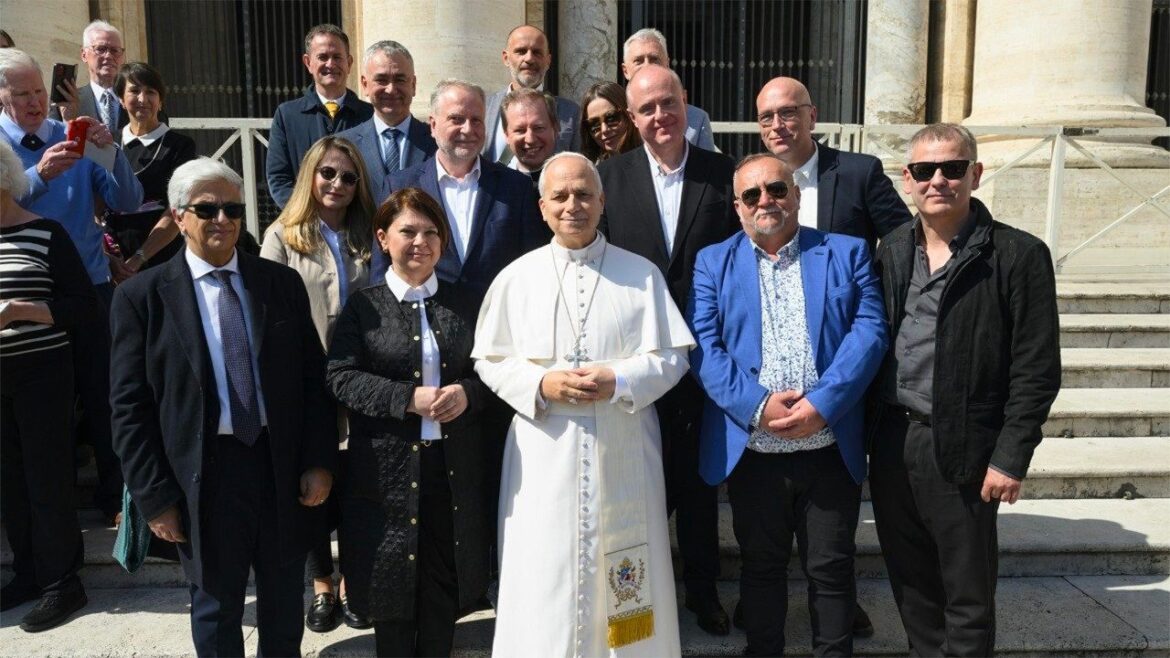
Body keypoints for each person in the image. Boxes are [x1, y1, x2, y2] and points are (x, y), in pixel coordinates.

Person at [109, 158, 338, 657]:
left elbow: (312, 382)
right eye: (207, 209)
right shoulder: (141, 298)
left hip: (278, 468)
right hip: (204, 474)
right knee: (215, 609)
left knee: (284, 603)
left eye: (232, 209)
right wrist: (154, 496)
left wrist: (319, 461)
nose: (222, 220)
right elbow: (129, 409)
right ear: (178, 217)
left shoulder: (279, 284)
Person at [474, 152, 694, 657]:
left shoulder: (641, 275)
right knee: (545, 566)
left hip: (624, 439)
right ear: (542, 207)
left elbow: (673, 358)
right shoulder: (517, 277)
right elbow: (491, 360)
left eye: (583, 194)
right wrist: (541, 383)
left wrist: (619, 379)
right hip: (543, 449)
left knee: (624, 567)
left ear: (602, 201)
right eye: (560, 196)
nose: (572, 205)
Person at [868, 123, 1061, 657]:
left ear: (975, 174)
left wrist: (1010, 457)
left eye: (952, 168)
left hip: (964, 446)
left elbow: (1037, 370)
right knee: (912, 586)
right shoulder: (891, 249)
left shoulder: (1017, 255)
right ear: (907, 178)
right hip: (892, 440)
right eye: (925, 170)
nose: (938, 180)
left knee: (968, 594)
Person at [687, 153, 887, 656]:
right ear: (738, 206)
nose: (766, 201)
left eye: (777, 189)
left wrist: (823, 404)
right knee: (760, 568)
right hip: (754, 452)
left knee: (832, 569)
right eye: (751, 194)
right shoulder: (712, 262)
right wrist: (758, 407)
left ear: (796, 195)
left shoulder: (846, 252)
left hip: (829, 447)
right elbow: (703, 347)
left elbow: (870, 331)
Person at [597, 63, 738, 636]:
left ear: (686, 103)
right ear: (632, 118)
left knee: (700, 485)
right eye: (647, 108)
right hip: (635, 359)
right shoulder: (609, 176)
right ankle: (632, 602)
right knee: (632, 488)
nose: (660, 116)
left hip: (705, 357)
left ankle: (703, 592)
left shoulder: (724, 174)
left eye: (669, 103)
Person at [327, 187, 492, 657]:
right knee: (391, 591)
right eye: (408, 231)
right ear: (383, 238)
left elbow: (495, 373)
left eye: (431, 232)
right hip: (385, 475)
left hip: (450, 471)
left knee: (442, 593)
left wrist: (468, 393)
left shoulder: (467, 302)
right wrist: (406, 398)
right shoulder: (364, 306)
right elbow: (340, 377)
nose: (421, 242)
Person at [1, 47, 142, 526]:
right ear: (1, 97)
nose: (35, 101)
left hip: (90, 290)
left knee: (107, 396)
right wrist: (39, 176)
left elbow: (127, 200)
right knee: (41, 414)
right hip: (25, 297)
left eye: (39, 90)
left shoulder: (72, 134)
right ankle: (49, 518)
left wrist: (110, 150)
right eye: (22, 94)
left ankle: (117, 499)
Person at [261, 135, 375, 633]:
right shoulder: (282, 235)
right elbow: (268, 311)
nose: (337, 183)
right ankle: (322, 584)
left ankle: (352, 582)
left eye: (349, 176)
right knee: (310, 484)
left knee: (355, 484)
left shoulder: (369, 233)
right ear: (310, 174)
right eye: (328, 172)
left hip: (363, 378)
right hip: (305, 380)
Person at [0, 139, 95, 632]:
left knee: (47, 479)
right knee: (10, 482)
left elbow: (82, 306)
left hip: (42, 373)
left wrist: (19, 311)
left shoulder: (45, 233)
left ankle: (62, 582)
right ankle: (28, 574)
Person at [388, 79, 544, 299]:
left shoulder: (516, 187)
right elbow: (383, 268)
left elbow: (533, 264)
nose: (468, 129)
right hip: (425, 314)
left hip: (498, 315)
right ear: (433, 125)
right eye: (457, 119)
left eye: (476, 120)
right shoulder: (400, 185)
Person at [756, 76, 910, 251]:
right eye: (766, 117)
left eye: (788, 112)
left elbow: (904, 242)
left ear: (812, 117)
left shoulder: (860, 174)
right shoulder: (748, 183)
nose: (776, 125)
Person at [105, 62, 197, 276]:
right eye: (134, 91)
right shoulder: (108, 142)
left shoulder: (180, 145)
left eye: (151, 92)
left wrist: (139, 257)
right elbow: (94, 202)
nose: (142, 99)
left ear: (161, 101)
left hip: (161, 254)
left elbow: (176, 208)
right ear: (121, 99)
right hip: (113, 254)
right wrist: (108, 256)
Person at [267, 24, 373, 208]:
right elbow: (279, 178)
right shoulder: (287, 115)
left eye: (337, 57)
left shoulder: (370, 115)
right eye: (323, 57)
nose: (330, 64)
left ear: (349, 63)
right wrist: (307, 215)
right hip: (304, 220)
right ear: (308, 62)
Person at [337, 40, 437, 206]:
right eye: (381, 80)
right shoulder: (344, 145)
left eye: (400, 79)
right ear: (365, 85)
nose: (391, 89)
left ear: (413, 85)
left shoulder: (437, 142)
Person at [483, 25, 579, 161]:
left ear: (548, 61)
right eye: (521, 51)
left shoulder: (571, 114)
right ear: (506, 58)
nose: (529, 59)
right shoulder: (484, 109)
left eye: (537, 52)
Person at [621, 28, 715, 151]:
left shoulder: (696, 120)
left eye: (654, 59)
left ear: (667, 64)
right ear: (625, 71)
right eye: (638, 61)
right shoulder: (613, 120)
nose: (647, 66)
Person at [50, 20, 126, 132]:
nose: (109, 56)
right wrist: (69, 122)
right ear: (84, 55)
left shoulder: (137, 99)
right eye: (101, 49)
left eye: (115, 50)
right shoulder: (65, 101)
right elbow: (53, 141)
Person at [500, 87, 557, 183]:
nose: (530, 139)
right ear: (506, 135)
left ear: (555, 129)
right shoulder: (491, 184)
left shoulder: (574, 181)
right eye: (520, 130)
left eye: (538, 128)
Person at [580, 81, 640, 164]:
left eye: (611, 119)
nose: (604, 129)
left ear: (630, 115)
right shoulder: (593, 170)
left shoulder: (653, 159)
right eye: (595, 124)